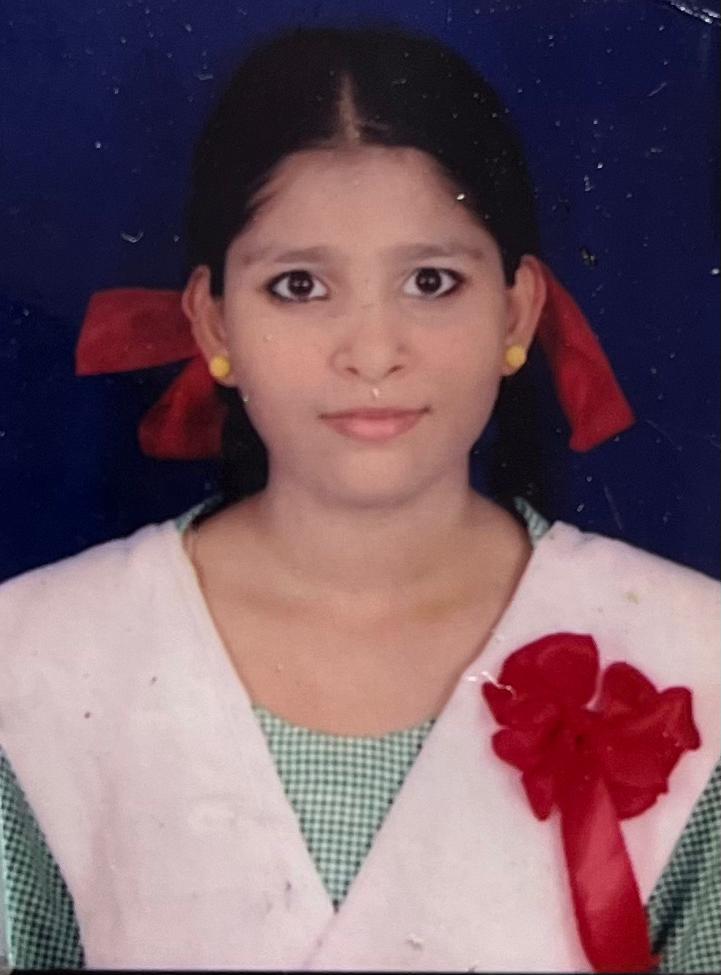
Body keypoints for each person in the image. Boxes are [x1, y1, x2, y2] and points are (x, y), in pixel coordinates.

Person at [0, 23, 718, 973]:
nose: (373, 351)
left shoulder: (690, 647)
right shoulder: (36, 654)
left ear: (515, 311)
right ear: (214, 321)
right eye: (299, 285)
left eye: (431, 281)